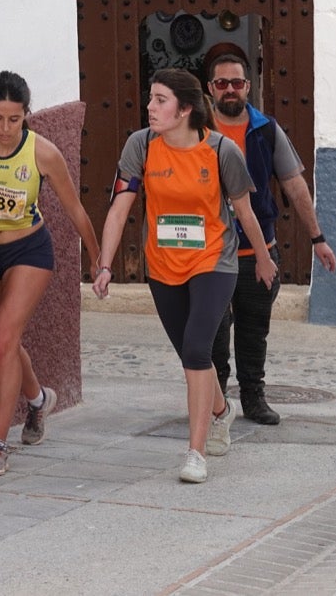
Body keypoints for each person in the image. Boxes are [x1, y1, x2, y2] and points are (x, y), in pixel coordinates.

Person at [92, 68, 276, 484]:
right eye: (151, 98)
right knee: (190, 355)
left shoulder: (222, 151)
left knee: (198, 348)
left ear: (185, 109)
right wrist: (104, 264)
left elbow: (245, 212)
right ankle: (221, 410)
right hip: (163, 264)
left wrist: (263, 259)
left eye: (160, 100)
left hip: (214, 261)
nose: (150, 107)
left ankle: (195, 451)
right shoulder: (140, 146)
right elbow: (119, 208)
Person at [0, 70, 101, 476]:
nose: (5, 129)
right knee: (1, 343)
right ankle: (39, 399)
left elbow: (75, 209)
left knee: (6, 339)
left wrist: (98, 259)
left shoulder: (42, 153)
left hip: (29, 250)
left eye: (14, 119)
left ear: (27, 114)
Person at [206, 52, 336, 425]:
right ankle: (214, 402)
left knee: (253, 330)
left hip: (257, 251)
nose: (230, 90)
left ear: (248, 87)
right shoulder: (196, 132)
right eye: (221, 83)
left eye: (237, 82)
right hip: (209, 253)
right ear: (209, 89)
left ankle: (253, 398)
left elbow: (294, 185)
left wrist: (317, 238)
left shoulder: (266, 130)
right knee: (212, 332)